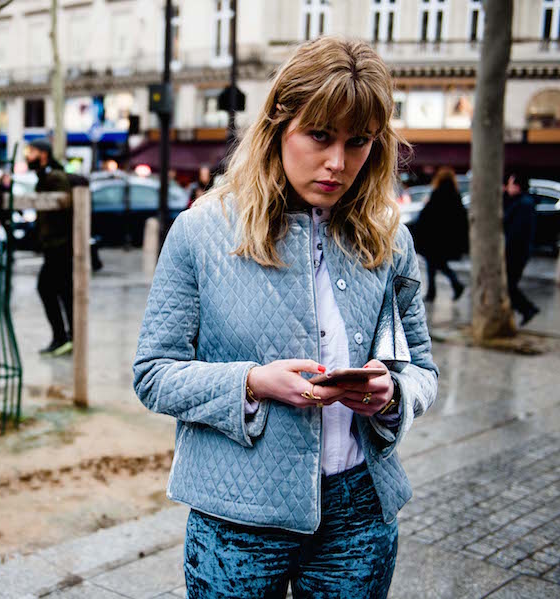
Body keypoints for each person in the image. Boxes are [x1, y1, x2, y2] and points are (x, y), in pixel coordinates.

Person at [133, 36, 438, 599]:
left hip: (360, 516)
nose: (337, 162)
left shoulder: (390, 239)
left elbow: (421, 368)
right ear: (278, 126)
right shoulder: (202, 232)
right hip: (236, 517)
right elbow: (153, 374)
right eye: (320, 135)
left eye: (359, 142)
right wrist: (250, 383)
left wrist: (392, 394)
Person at [26, 138, 74, 356]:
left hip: (60, 245)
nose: (28, 157)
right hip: (54, 245)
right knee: (62, 291)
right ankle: (67, 337)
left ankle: (63, 336)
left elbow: (63, 207)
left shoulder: (54, 177)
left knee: (47, 288)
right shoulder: (46, 176)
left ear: (43, 154)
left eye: (32, 152)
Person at [414, 166, 468, 301]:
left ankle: (453, 286)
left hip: (433, 237)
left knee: (435, 264)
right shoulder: (456, 195)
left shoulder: (437, 193)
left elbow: (427, 216)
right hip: (445, 238)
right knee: (434, 264)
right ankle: (439, 291)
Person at [503, 172, 540, 325]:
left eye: (510, 184)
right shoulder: (519, 202)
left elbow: (516, 232)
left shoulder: (523, 204)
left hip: (516, 252)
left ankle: (527, 308)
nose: (507, 188)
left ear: (517, 186)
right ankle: (521, 310)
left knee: (509, 285)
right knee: (508, 285)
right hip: (517, 251)